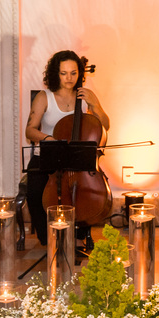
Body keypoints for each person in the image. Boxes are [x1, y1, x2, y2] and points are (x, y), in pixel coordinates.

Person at [24, 50, 110, 246]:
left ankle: (80, 234)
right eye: (64, 73)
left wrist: (95, 105)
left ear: (80, 73)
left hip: (76, 159)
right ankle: (48, 239)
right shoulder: (44, 97)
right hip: (47, 156)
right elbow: (30, 130)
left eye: (73, 73)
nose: (69, 78)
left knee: (85, 193)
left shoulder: (85, 96)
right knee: (35, 193)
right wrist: (49, 139)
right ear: (56, 73)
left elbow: (105, 125)